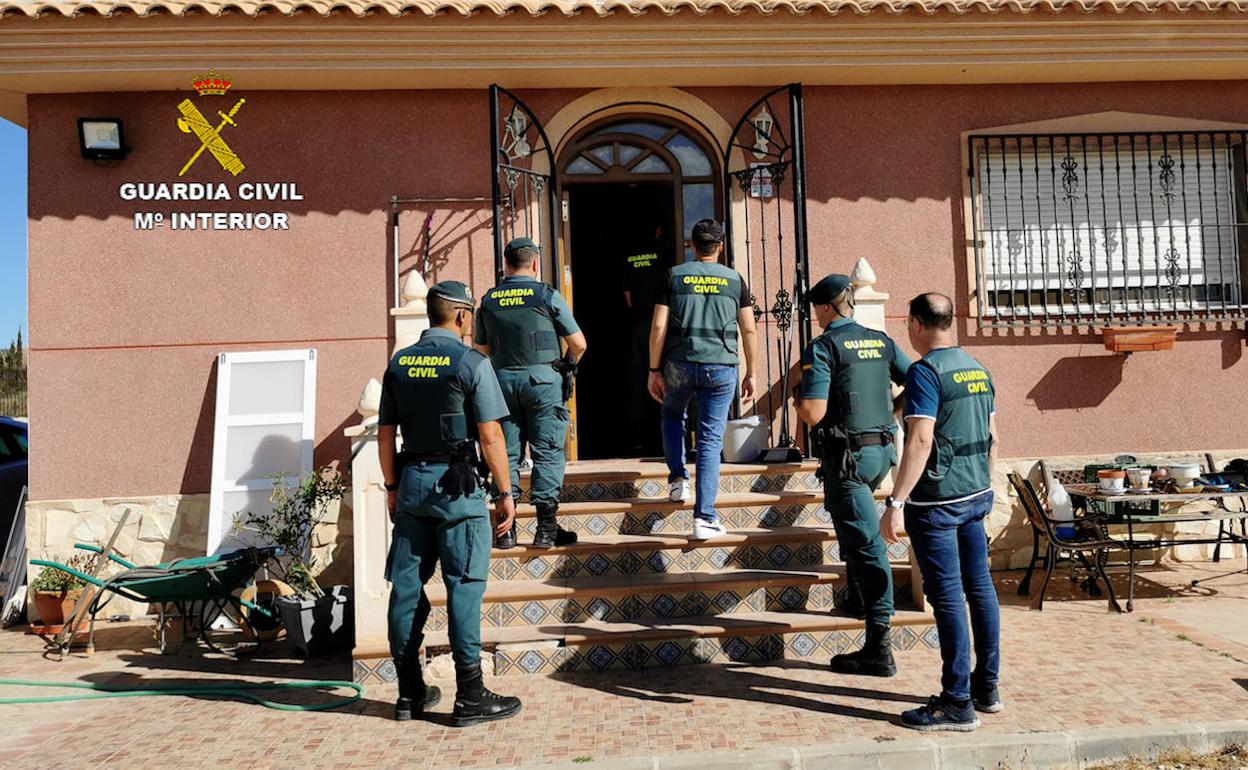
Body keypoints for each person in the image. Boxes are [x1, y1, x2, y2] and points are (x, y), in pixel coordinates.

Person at [378, 280, 522, 727]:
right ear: (461, 315)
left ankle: (408, 693)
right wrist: (505, 493)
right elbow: (491, 434)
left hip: (413, 484)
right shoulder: (470, 362)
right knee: (463, 585)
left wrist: (391, 486)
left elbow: (386, 434)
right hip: (458, 488)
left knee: (405, 588)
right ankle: (471, 695)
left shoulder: (399, 363)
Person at [881, 292, 1001, 732]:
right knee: (981, 589)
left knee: (948, 598)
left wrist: (895, 503)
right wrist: (985, 484)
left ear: (915, 323)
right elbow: (992, 435)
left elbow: (920, 441)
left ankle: (955, 702)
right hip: (975, 493)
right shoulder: (977, 368)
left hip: (936, 502)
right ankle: (985, 687)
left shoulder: (925, 372)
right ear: (950, 320)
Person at [794, 273, 910, 678]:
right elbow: (918, 379)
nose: (816, 315)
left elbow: (813, 413)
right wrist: (892, 415)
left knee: (867, 545)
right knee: (854, 529)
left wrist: (797, 402)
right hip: (880, 454)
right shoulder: (880, 340)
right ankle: (859, 599)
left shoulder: (824, 346)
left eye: (816, 309)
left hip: (848, 460)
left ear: (826, 307)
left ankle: (879, 645)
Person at [647, 219, 758, 540]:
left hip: (680, 361)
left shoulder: (674, 275)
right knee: (710, 439)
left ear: (692, 246)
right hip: (722, 366)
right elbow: (749, 329)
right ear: (721, 246)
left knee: (671, 415)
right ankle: (705, 518)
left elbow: (658, 326)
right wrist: (752, 371)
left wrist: (654, 369)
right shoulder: (735, 280)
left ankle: (678, 481)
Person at [475, 237, 588, 549]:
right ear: (535, 264)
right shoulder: (546, 295)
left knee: (505, 452)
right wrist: (566, 366)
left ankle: (506, 530)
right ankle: (546, 529)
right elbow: (579, 343)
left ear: (505, 264)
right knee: (548, 451)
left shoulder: (489, 300)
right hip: (543, 383)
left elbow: (480, 348)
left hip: (500, 385)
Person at [621, 222, 671, 456]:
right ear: (657, 231)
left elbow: (628, 297)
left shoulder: (630, 258)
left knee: (639, 381)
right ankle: (665, 439)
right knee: (667, 380)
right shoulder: (663, 255)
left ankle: (638, 440)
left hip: (640, 326)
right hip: (662, 326)